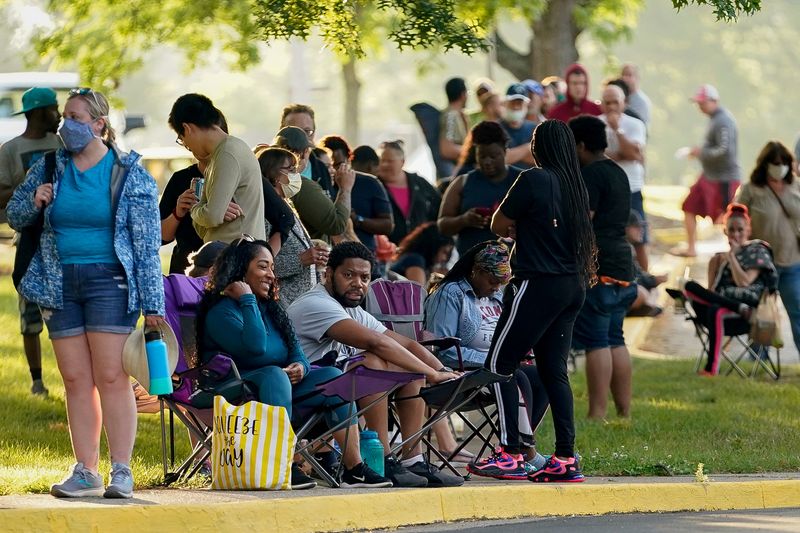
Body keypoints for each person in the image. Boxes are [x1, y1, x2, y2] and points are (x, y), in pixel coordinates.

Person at [7, 88, 164, 499]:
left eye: (77, 118)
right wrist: (36, 201)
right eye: (65, 117)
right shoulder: (48, 167)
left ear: (99, 124)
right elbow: (15, 215)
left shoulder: (127, 173)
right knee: (76, 379)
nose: (67, 126)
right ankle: (86, 471)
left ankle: (122, 470)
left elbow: (147, 244)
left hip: (108, 282)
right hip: (60, 283)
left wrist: (153, 306)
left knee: (111, 375)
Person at [197, 237, 392, 489]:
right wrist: (247, 300)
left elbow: (296, 350)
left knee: (333, 375)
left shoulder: (271, 309)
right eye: (263, 267)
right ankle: (283, 464)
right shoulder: (221, 312)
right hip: (234, 391)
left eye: (272, 268)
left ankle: (354, 469)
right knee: (274, 375)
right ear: (240, 270)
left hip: (276, 390)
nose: (271, 275)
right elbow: (257, 350)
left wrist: (301, 367)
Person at [472, 119, 596, 482]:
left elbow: (497, 224)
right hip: (572, 285)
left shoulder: (533, 178)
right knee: (554, 370)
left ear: (538, 147)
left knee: (499, 362)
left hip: (537, 282)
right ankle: (566, 458)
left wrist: (519, 224)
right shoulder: (577, 186)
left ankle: (511, 453)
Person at [287, 242, 463, 488]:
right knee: (371, 362)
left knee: (409, 367)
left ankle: (413, 459)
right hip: (305, 397)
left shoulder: (352, 310)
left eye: (364, 277)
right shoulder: (316, 304)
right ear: (328, 274)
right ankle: (383, 457)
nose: (358, 283)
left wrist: (442, 371)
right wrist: (432, 374)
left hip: (335, 398)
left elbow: (406, 344)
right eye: (349, 275)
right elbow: (377, 343)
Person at [425, 241, 549, 473]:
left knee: (542, 376)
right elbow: (443, 349)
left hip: (492, 368)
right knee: (510, 376)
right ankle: (522, 453)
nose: (496, 288)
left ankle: (517, 451)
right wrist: (495, 359)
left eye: (500, 283)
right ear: (476, 271)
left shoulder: (496, 296)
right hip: (458, 372)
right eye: (492, 281)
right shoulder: (450, 293)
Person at [568, 115, 636, 420]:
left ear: (581, 146)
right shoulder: (618, 172)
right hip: (623, 264)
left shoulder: (591, 175)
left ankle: (597, 412)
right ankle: (625, 411)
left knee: (597, 340)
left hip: (601, 264)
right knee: (615, 337)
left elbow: (586, 220)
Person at [0, 86, 62, 397]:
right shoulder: (10, 151)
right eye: (53, 109)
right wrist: (27, 188)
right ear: (37, 113)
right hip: (28, 240)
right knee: (29, 312)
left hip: (61, 239)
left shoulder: (63, 144)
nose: (59, 114)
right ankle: (37, 380)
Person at [683, 204, 777, 375]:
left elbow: (744, 282)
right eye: (731, 230)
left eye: (740, 229)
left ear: (748, 229)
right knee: (688, 286)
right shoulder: (717, 259)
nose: (736, 234)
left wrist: (732, 257)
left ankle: (711, 369)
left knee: (716, 310)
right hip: (727, 311)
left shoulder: (757, 252)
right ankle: (737, 307)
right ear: (725, 231)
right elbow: (711, 292)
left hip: (747, 318)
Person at [169, 93, 266, 242]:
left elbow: (212, 216)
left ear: (186, 128)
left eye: (182, 140)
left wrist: (194, 208)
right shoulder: (220, 155)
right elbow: (204, 225)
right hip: (225, 253)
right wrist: (206, 210)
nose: (187, 147)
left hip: (236, 256)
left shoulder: (228, 154)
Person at [735, 141, 800, 353]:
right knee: (761, 314)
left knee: (797, 311)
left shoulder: (796, 186)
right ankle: (759, 360)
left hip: (792, 262)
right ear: (765, 164)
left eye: (784, 163)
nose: (779, 167)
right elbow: (736, 219)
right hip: (761, 264)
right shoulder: (751, 190)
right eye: (775, 163)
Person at [672, 84, 741, 257]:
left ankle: (735, 252)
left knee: (725, 217)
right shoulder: (714, 119)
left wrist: (701, 152)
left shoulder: (723, 120)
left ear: (714, 101)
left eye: (703, 102)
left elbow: (724, 150)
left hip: (724, 178)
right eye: (699, 103)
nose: (700, 106)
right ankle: (691, 248)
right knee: (689, 206)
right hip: (710, 176)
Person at [159, 113, 231, 273]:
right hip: (186, 271)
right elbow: (161, 237)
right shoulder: (180, 179)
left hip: (225, 269)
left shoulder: (236, 176)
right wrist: (178, 212)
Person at [257, 147, 328, 307]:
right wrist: (300, 260)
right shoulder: (266, 214)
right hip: (283, 304)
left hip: (301, 304)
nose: (296, 174)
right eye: (290, 169)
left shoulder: (285, 206)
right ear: (273, 174)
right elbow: (259, 266)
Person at [438, 121, 522, 255]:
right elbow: (442, 225)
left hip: (513, 265)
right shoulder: (462, 182)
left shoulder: (522, 180)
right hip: (471, 265)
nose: (487, 162)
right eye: (482, 156)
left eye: (493, 156)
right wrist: (464, 220)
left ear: (505, 152)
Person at [274, 126, 354, 243]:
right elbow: (337, 225)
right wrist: (345, 189)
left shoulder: (267, 176)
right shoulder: (300, 185)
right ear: (305, 152)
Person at [600, 84, 649, 271]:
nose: (611, 107)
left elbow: (634, 154)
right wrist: (621, 154)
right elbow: (593, 156)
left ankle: (647, 279)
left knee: (639, 238)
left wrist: (617, 130)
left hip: (632, 189)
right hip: (607, 191)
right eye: (607, 102)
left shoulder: (635, 124)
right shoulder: (596, 124)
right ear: (601, 104)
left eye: (615, 102)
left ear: (624, 103)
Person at [319, 135, 394, 256]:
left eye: (338, 165)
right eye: (327, 166)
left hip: (365, 255)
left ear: (349, 161)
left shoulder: (370, 183)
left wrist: (358, 219)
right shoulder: (316, 185)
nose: (333, 171)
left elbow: (387, 225)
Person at [376, 140, 441, 245]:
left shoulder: (419, 183)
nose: (384, 165)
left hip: (420, 248)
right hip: (386, 249)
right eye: (381, 160)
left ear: (402, 161)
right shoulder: (374, 184)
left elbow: (439, 209)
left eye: (390, 161)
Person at [280, 104, 335, 196]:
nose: (301, 136)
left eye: (307, 131)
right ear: (281, 131)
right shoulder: (269, 164)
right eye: (295, 130)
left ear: (314, 133)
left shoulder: (321, 168)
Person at [390, 222, 454, 286]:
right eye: (444, 252)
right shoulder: (415, 260)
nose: (444, 258)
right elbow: (419, 292)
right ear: (433, 246)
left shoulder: (414, 258)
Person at [438, 77, 469, 176]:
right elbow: (446, 149)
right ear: (463, 94)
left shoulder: (458, 114)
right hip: (454, 176)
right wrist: (472, 152)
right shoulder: (450, 116)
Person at [500, 83, 536, 167]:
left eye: (519, 103)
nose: (516, 107)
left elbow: (540, 158)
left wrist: (511, 154)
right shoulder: (495, 128)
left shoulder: (534, 128)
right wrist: (528, 148)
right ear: (505, 103)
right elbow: (499, 159)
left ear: (526, 105)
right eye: (512, 103)